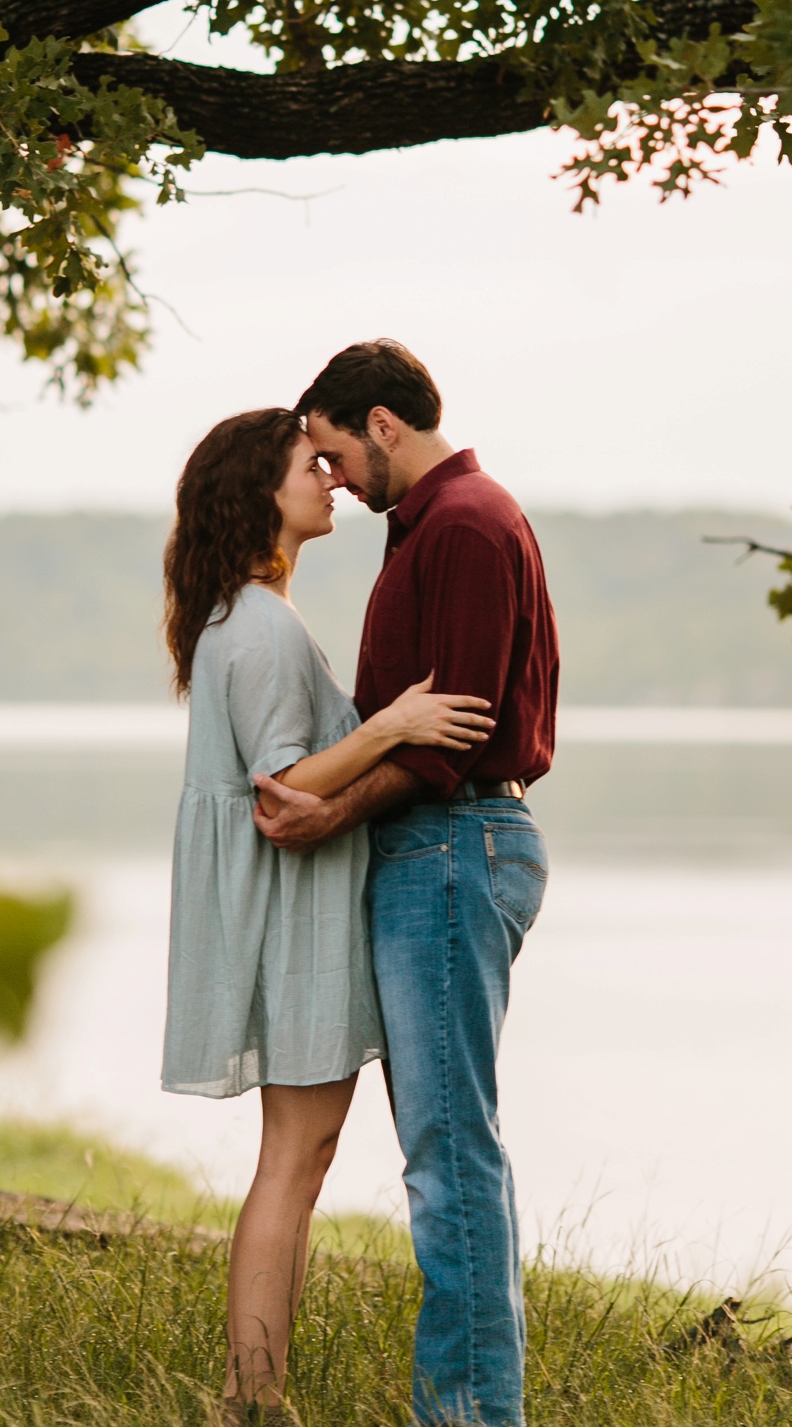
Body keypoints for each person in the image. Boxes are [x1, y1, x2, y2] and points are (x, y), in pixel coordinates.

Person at [161, 406, 496, 1420]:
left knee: (299, 1157)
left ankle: (255, 1393)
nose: (329, 478)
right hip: (292, 916)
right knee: (295, 1158)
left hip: (287, 912)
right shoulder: (260, 625)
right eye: (308, 465)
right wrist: (393, 724)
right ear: (257, 494)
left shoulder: (246, 614)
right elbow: (282, 786)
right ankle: (252, 1397)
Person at [253, 343, 559, 1427]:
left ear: (382, 424)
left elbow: (452, 733)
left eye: (335, 454)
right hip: (442, 847)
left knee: (448, 1154)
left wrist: (330, 812)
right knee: (453, 1146)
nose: (333, 478)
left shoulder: (465, 523)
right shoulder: (431, 525)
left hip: (451, 844)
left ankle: (470, 1413)